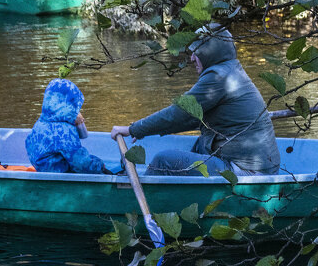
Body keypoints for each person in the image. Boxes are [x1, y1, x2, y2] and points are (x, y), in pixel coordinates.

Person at [110, 25, 280, 176]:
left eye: (196, 52)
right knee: (200, 145)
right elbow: (191, 118)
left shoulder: (218, 77)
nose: (191, 58)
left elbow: (179, 113)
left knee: (163, 160)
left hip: (246, 172)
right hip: (260, 168)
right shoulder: (231, 70)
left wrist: (133, 129)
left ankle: (145, 200)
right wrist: (141, 128)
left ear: (209, 54)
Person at [26, 79, 118, 174]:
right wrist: (100, 166)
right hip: (58, 174)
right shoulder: (63, 131)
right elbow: (81, 164)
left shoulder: (42, 121)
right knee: (95, 164)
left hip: (42, 167)